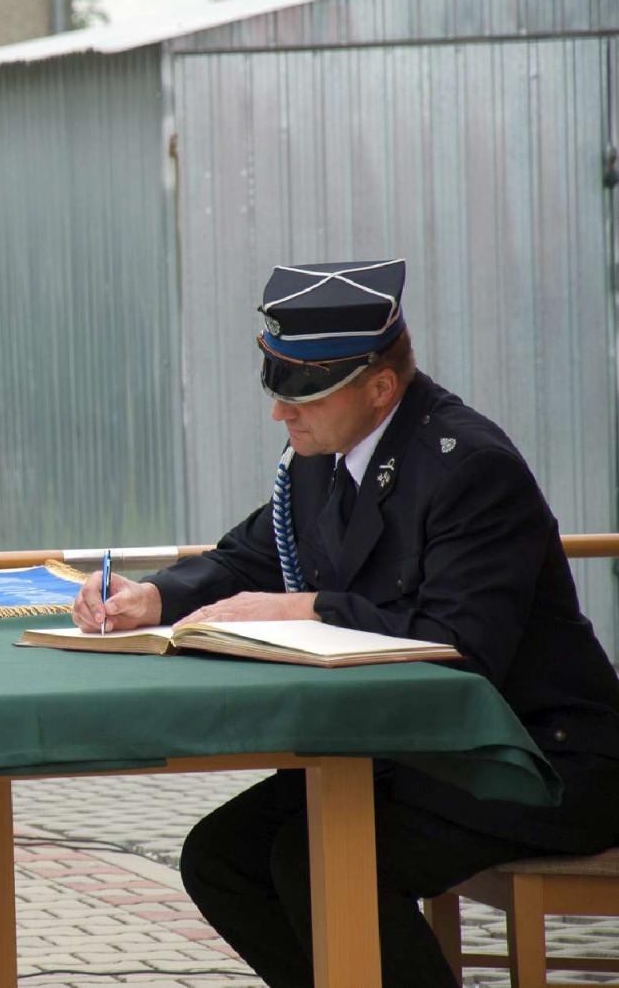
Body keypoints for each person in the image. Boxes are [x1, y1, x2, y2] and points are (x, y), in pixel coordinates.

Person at [71, 259, 619, 986]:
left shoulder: (469, 468)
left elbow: (460, 645)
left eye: (303, 393)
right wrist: (154, 597)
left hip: (537, 756)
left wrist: (310, 606)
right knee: (221, 857)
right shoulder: (321, 457)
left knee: (315, 859)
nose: (280, 412)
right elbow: (249, 557)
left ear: (380, 386)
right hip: (420, 754)